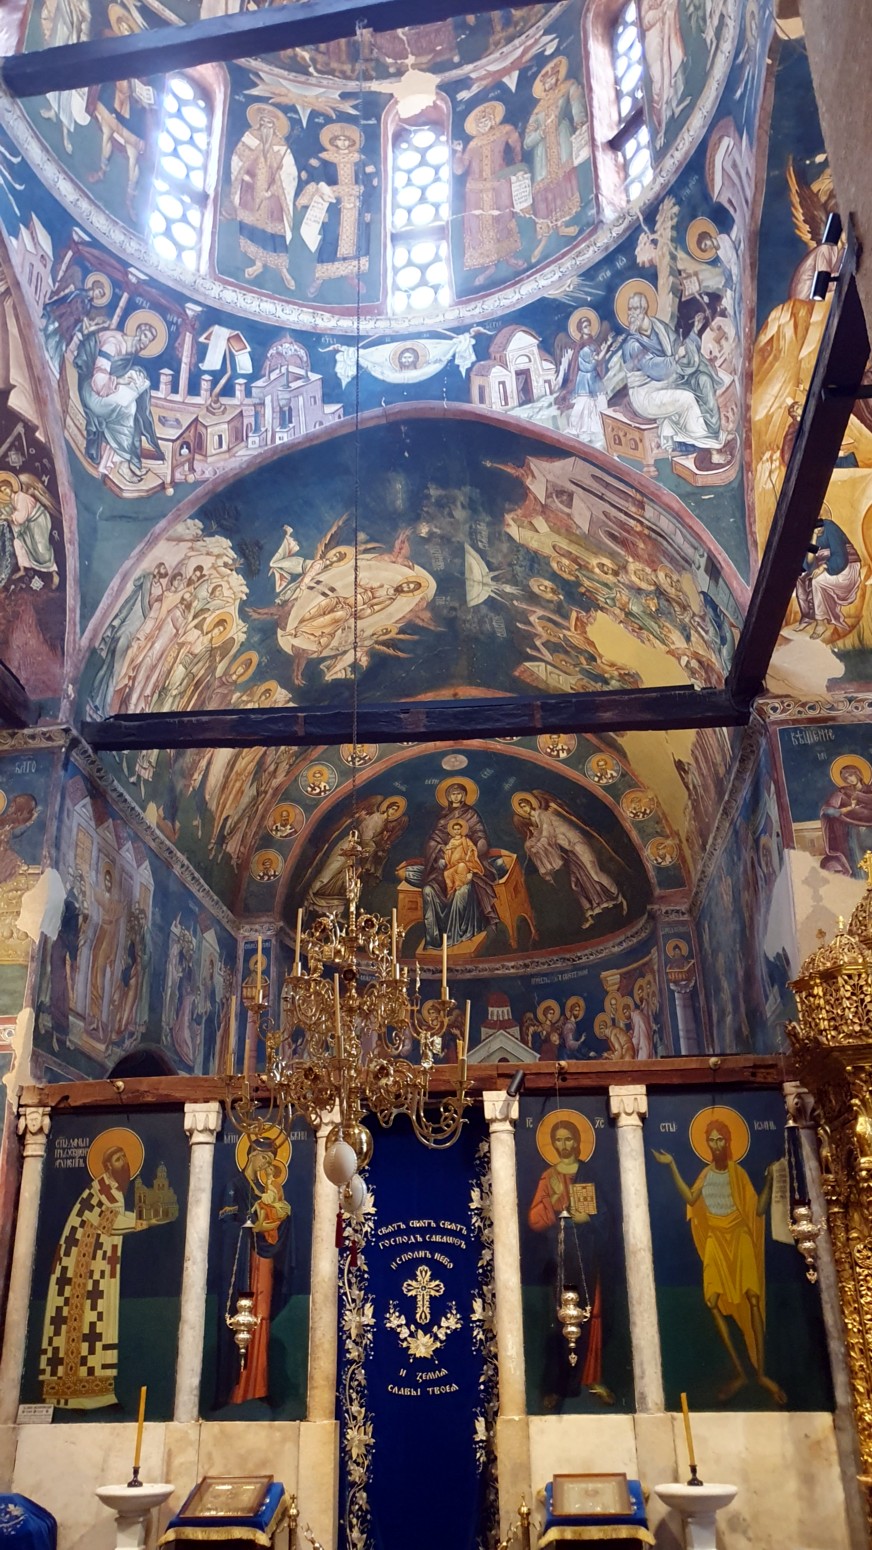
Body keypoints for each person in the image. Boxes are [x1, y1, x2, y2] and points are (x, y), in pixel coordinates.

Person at [652, 1119, 785, 1403]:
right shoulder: (706, 1174)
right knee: (712, 1300)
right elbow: (690, 1198)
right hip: (715, 1237)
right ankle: (741, 1371)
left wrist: (770, 1179)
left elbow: (759, 1210)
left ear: (728, 1141)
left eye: (720, 1139)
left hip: (739, 1236)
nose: (715, 1145)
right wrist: (672, 1165)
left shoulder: (738, 1174)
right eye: (711, 1141)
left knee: (752, 1297)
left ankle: (762, 1373)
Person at [39, 1140, 172, 1407]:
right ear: (108, 1167)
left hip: (99, 1265)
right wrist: (144, 1222)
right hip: (80, 1269)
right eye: (118, 1159)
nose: (125, 1163)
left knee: (99, 1325)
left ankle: (97, 1392)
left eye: (125, 1157)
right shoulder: (100, 1190)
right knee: (80, 1325)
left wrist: (145, 1220)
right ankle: (65, 1394)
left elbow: (117, 1219)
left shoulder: (114, 1190)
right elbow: (109, 1222)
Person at [528, 1118, 607, 1400]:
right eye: (559, 1140)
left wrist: (589, 1219)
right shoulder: (548, 1176)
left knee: (589, 1313)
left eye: (568, 1139)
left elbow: (606, 1213)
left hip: (586, 1253)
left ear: (577, 1141)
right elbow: (535, 1220)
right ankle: (558, 1386)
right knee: (560, 1317)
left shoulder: (589, 1172)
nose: (564, 1145)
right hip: (558, 1256)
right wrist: (554, 1203)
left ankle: (589, 1379)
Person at [620, 290, 724, 455]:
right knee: (686, 398)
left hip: (668, 382)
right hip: (646, 393)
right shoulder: (632, 344)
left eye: (635, 309)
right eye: (630, 309)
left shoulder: (659, 328)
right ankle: (706, 446)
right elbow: (656, 369)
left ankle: (713, 432)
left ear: (645, 309)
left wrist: (694, 333)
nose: (632, 314)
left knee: (703, 380)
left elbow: (678, 347)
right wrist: (676, 357)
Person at [513, 791, 624, 927]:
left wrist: (537, 845)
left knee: (594, 874)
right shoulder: (535, 821)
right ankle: (591, 913)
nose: (524, 809)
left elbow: (547, 834)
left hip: (576, 845)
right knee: (576, 882)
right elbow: (539, 836)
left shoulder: (543, 815)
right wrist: (530, 845)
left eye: (525, 805)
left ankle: (620, 897)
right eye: (522, 808)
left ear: (530, 804)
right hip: (567, 851)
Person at [73, 320, 161, 483]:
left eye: (148, 342)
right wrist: (121, 380)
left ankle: (119, 461)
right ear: (137, 333)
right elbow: (98, 382)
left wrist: (134, 377)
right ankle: (123, 464)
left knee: (132, 405)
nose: (144, 344)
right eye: (144, 338)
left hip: (106, 389)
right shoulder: (113, 344)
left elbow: (117, 373)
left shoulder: (129, 350)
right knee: (127, 409)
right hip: (91, 392)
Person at [419, 781, 498, 949]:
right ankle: (434, 940)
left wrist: (480, 844)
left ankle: (459, 935)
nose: (456, 796)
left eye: (459, 793)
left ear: (464, 795)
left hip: (467, 865)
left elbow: (479, 834)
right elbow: (434, 839)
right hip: (445, 867)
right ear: (448, 796)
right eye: (453, 794)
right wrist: (439, 855)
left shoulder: (471, 814)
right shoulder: (443, 817)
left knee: (462, 891)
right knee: (428, 890)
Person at [524, 57, 588, 262]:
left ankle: (563, 226)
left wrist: (580, 120)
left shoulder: (567, 87)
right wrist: (541, 132)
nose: (550, 82)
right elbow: (527, 142)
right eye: (546, 81)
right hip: (543, 153)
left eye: (552, 78)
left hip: (562, 139)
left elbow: (576, 101)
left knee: (564, 180)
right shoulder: (538, 109)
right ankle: (545, 237)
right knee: (545, 191)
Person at [452, 101, 524, 284]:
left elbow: (516, 143)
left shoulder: (503, 130)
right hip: (476, 189)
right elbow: (459, 169)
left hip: (499, 182)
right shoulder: (473, 143)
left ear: (492, 119)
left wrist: (517, 163)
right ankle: (489, 266)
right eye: (479, 122)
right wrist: (458, 153)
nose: (482, 124)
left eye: (485, 119)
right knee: (480, 225)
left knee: (504, 217)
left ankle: (508, 256)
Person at [229, 105, 298, 289]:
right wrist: (243, 176)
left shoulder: (281, 146)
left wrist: (273, 190)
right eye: (264, 122)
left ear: (275, 126)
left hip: (272, 197)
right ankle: (258, 264)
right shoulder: (249, 138)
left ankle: (283, 270)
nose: (266, 126)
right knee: (252, 227)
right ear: (259, 122)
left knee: (276, 232)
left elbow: (289, 175)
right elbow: (237, 159)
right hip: (250, 191)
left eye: (270, 123)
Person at [794, 510, 861, 639]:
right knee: (800, 578)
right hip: (825, 565)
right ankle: (808, 617)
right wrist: (814, 537)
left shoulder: (830, 527)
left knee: (817, 581)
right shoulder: (809, 534)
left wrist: (825, 567)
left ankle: (821, 624)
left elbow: (841, 556)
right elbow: (809, 562)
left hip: (845, 567)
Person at [819, 760, 872, 876]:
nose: (849, 779)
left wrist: (859, 799)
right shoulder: (842, 792)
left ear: (857, 773)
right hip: (853, 831)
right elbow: (828, 809)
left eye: (850, 775)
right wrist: (844, 810)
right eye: (845, 778)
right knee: (859, 861)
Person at [443, 819, 484, 895]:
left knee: (461, 866)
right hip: (453, 865)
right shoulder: (451, 841)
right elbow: (448, 855)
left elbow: (472, 848)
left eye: (458, 829)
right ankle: (450, 893)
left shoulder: (465, 839)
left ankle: (459, 887)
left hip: (464, 862)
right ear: (453, 830)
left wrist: (469, 852)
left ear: (461, 830)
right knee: (446, 873)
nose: (457, 831)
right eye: (455, 829)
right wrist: (448, 850)